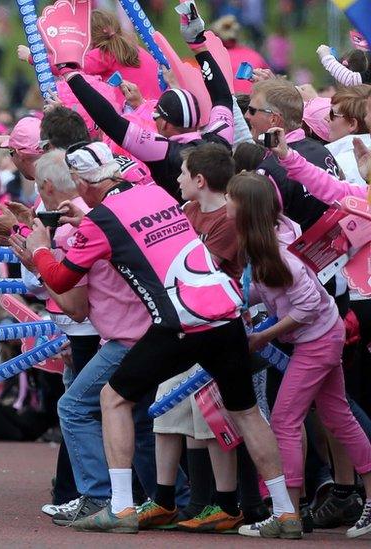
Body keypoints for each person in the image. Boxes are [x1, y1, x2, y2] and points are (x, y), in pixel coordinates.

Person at [24, 140, 297, 538]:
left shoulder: (100, 220)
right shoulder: (152, 190)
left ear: (82, 182)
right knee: (247, 413)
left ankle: (119, 507)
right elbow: (134, 229)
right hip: (225, 311)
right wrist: (86, 218)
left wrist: (40, 251)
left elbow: (62, 279)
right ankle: (287, 513)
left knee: (113, 398)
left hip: (181, 321)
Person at [228, 172, 371, 539]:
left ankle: (287, 513)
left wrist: (263, 336)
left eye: (231, 198)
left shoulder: (274, 252)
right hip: (321, 335)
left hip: (317, 339)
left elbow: (306, 306)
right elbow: (273, 292)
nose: (225, 204)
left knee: (285, 420)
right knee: (338, 416)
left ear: (247, 209)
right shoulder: (269, 241)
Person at [140, 143, 247, 532]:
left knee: (210, 417)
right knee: (166, 409)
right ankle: (163, 499)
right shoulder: (186, 211)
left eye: (184, 173)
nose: (178, 179)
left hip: (215, 326)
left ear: (200, 180)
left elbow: (195, 268)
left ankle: (225, 503)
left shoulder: (227, 221)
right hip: (181, 325)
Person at [59, 7, 234, 200]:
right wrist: (198, 46)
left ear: (165, 124)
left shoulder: (165, 152)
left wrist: (70, 73)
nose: (152, 116)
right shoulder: (219, 139)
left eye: (155, 114)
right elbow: (223, 98)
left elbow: (112, 123)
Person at [83, 9, 160, 101]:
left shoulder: (103, 53)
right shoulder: (135, 49)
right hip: (158, 107)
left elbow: (70, 70)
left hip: (134, 111)